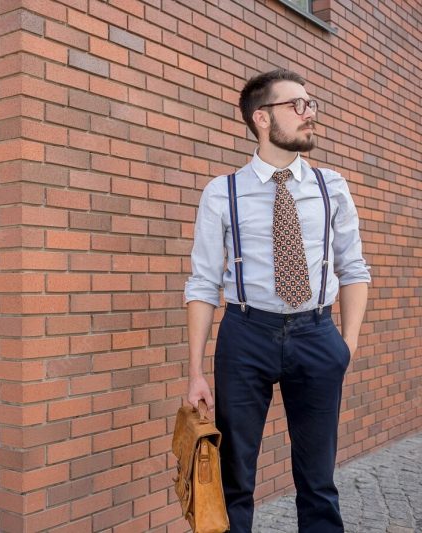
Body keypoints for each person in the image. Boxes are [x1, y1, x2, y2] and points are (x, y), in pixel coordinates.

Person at [185, 69, 370, 532]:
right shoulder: (222, 193)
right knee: (234, 478)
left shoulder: (332, 187)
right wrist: (194, 372)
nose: (310, 115)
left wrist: (344, 344)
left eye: (312, 104)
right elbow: (204, 283)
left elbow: (355, 269)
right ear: (262, 118)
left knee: (318, 480)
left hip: (317, 334)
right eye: (298, 105)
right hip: (246, 335)